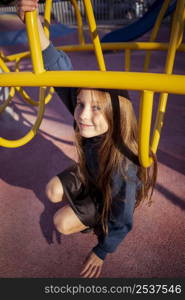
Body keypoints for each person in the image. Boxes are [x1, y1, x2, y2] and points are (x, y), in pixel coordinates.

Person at [16, 0, 157, 278]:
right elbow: (57, 66)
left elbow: (123, 220)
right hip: (91, 175)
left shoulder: (122, 167)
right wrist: (31, 21)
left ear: (115, 114)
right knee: (52, 191)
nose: (82, 115)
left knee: (60, 222)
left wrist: (103, 250)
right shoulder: (89, 118)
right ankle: (84, 199)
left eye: (95, 108)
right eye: (80, 104)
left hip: (107, 193)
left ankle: (93, 216)